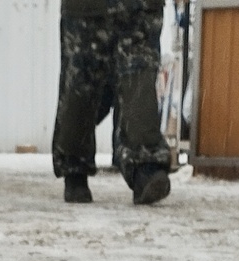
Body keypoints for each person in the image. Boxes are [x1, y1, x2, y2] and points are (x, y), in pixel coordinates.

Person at [51, 0, 170, 206]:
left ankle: (144, 167)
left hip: (139, 8)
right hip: (86, 9)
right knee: (80, 88)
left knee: (138, 81)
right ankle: (75, 170)